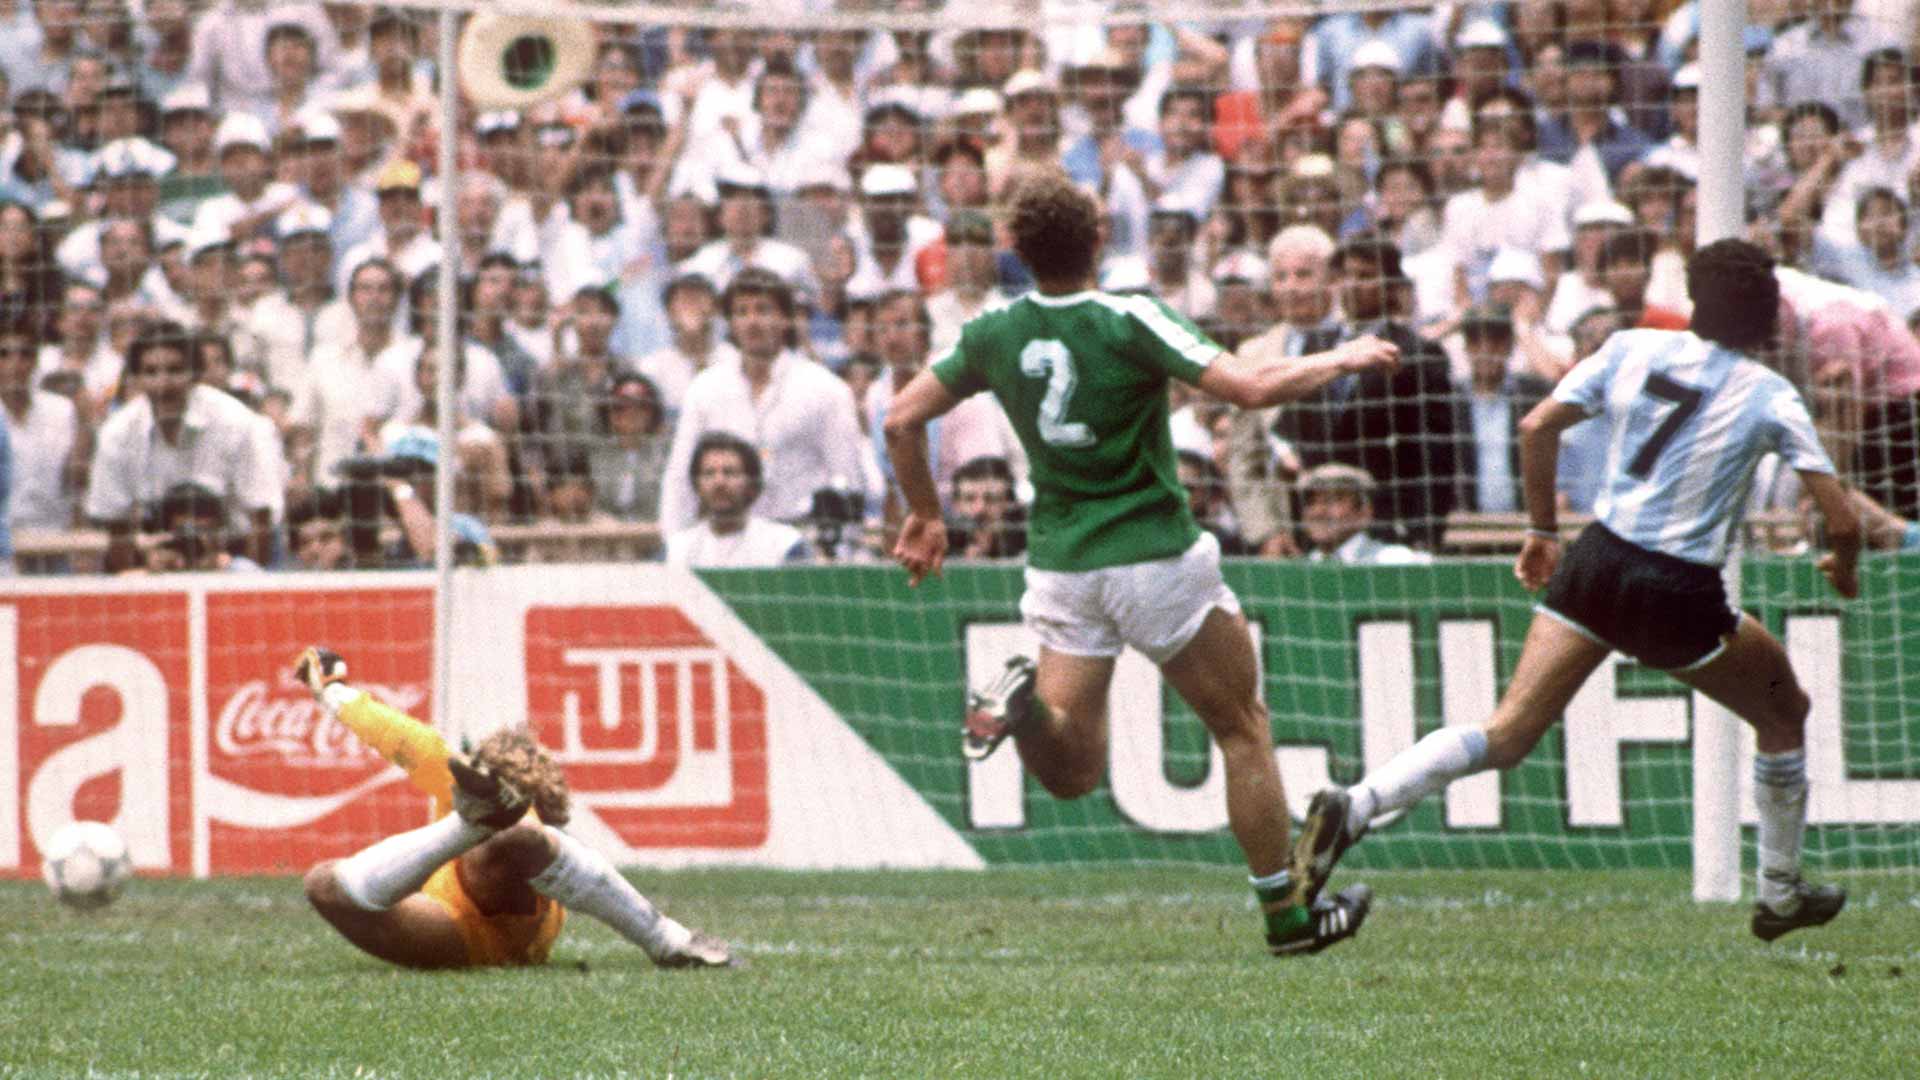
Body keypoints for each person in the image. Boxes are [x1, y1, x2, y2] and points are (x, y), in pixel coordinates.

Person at [883, 169, 1400, 956]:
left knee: (1070, 768)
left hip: (1062, 566)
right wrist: (1342, 358)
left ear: (1015, 250)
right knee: (1241, 728)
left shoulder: (994, 331)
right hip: (1155, 557)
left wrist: (925, 514)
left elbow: (899, 418)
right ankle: (1287, 918)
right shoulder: (1129, 317)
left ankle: (1022, 711)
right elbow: (1249, 388)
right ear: (1097, 238)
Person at [1291, 239, 1863, 945]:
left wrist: (1540, 531)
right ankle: (1779, 891)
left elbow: (1536, 426)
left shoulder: (1630, 348)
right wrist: (1844, 565)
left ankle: (1358, 803)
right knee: (1784, 714)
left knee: (1506, 733)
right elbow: (1839, 516)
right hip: (1675, 584)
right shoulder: (1772, 394)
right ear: (1764, 313)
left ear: (1696, 301)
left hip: (1596, 558)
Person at [291, 646, 736, 970]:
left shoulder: (527, 829)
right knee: (321, 884)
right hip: (450, 919)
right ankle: (666, 939)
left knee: (517, 836)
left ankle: (663, 938)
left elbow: (401, 736)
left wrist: (330, 691)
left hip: (471, 935)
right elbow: (400, 736)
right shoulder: (458, 778)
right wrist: (332, 691)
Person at [664, 431, 810, 569]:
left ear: (751, 484)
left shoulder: (783, 544)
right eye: (709, 473)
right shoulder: (678, 550)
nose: (719, 482)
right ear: (697, 485)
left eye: (730, 472)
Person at [1296, 463, 1430, 565]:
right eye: (1311, 502)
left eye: (1331, 501)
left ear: (1364, 513)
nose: (1318, 511)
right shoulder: (1303, 567)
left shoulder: (1392, 561)